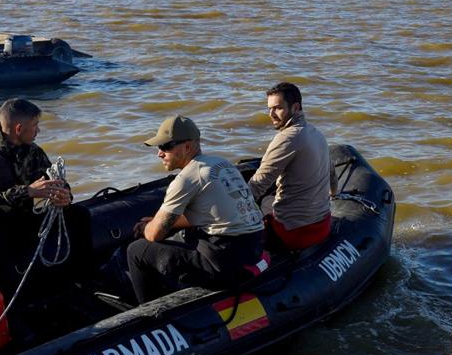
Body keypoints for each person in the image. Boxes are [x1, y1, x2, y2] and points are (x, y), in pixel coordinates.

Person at [125, 115, 264, 304]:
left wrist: (146, 228)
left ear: (187, 146)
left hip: (225, 264)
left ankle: (150, 313)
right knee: (185, 234)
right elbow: (212, 215)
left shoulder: (186, 178)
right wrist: (162, 222)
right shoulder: (223, 164)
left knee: (136, 250)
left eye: (165, 147)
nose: (159, 153)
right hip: (253, 250)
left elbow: (154, 235)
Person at [0, 98, 71, 301]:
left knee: (78, 214)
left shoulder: (33, 152)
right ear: (19, 128)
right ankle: (2, 304)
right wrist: (26, 192)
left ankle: (77, 283)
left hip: (18, 217)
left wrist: (63, 196)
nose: (38, 131)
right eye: (35, 125)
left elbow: (54, 182)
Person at [247, 82, 332, 251]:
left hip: (294, 233)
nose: (271, 114)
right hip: (322, 224)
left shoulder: (287, 138)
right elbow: (333, 178)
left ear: (295, 107)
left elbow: (258, 184)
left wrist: (225, 211)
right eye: (269, 108)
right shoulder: (316, 133)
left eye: (277, 108)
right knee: (268, 201)